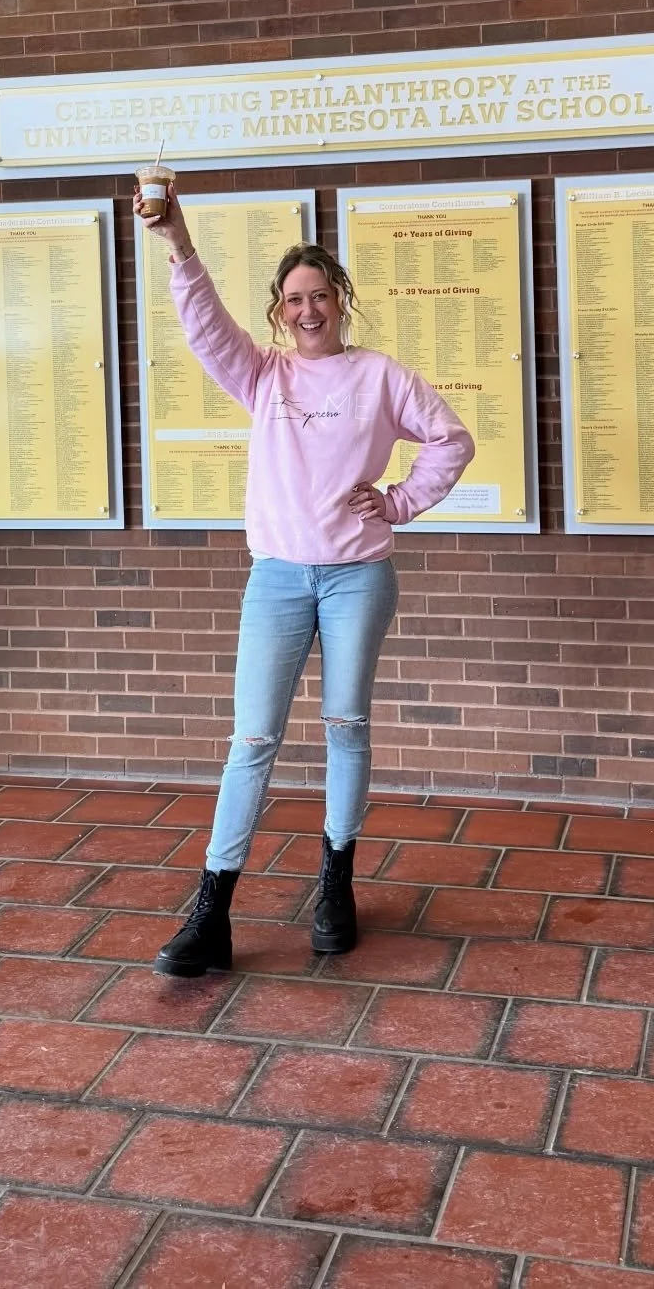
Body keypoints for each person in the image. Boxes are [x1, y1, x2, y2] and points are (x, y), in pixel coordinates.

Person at [135, 182, 474, 975]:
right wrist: (178, 242)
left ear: (341, 300)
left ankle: (335, 887)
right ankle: (211, 910)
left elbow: (450, 442)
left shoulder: (383, 377)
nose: (309, 310)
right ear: (279, 311)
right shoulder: (264, 377)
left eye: (320, 295)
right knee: (252, 740)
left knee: (346, 726)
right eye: (294, 300)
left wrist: (397, 500)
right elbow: (204, 324)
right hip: (279, 579)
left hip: (358, 577)